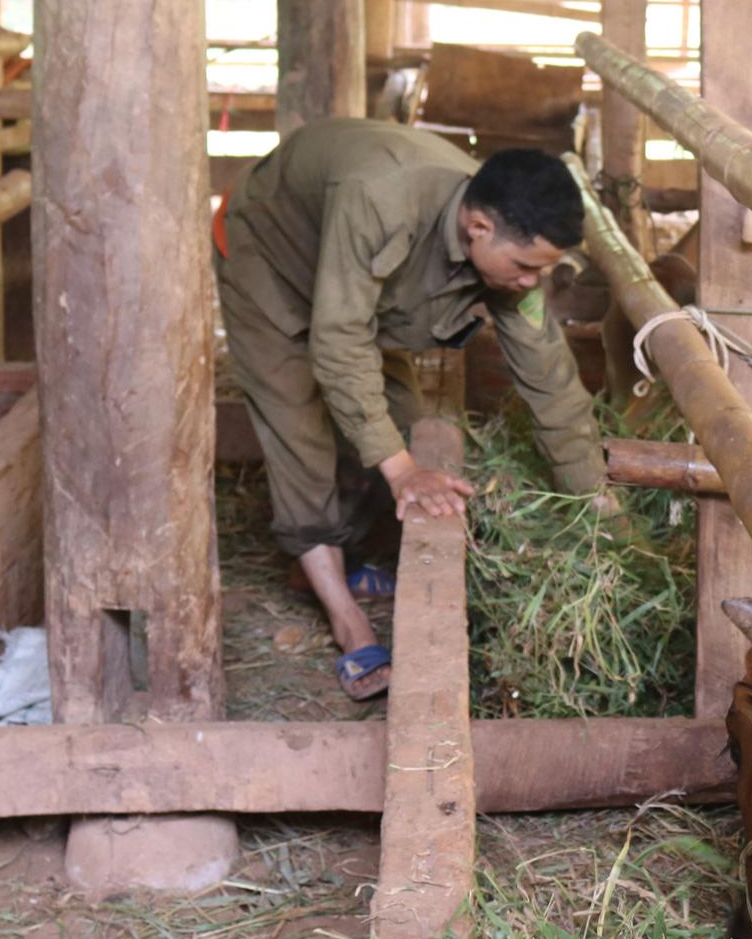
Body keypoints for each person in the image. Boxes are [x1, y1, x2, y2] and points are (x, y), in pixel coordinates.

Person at [214, 118, 605, 700]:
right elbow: (339, 343)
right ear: (478, 228)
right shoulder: (381, 199)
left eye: (545, 269)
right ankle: (348, 622)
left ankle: (331, 557)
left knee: (400, 416)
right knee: (299, 426)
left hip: (357, 273)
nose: (534, 281)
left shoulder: (506, 245)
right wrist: (402, 471)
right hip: (269, 255)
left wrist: (596, 502)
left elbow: (551, 380)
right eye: (527, 267)